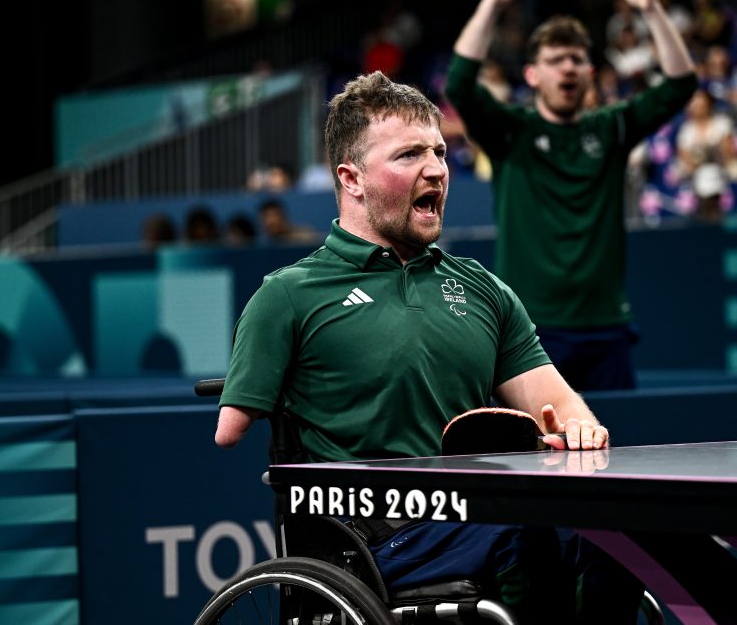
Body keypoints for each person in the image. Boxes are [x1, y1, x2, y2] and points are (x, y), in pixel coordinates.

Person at [214, 71, 641, 623]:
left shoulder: (482, 288)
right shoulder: (288, 295)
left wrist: (579, 427)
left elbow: (553, 402)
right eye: (410, 154)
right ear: (352, 177)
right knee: (521, 536)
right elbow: (231, 428)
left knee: (625, 532)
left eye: (439, 152)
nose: (437, 169)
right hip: (375, 539)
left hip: (478, 512)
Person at [444, 0, 697, 391]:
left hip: (605, 328)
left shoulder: (611, 129)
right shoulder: (511, 132)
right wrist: (491, 3)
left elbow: (680, 85)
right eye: (555, 60)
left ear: (590, 72)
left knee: (615, 453)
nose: (568, 68)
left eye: (577, 59)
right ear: (532, 74)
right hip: (530, 332)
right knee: (530, 454)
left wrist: (652, 9)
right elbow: (460, 84)